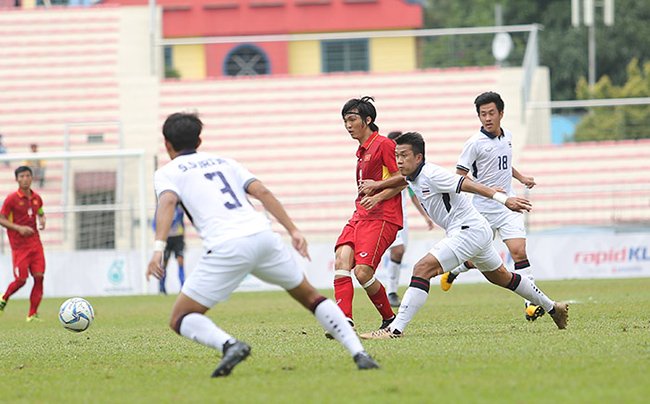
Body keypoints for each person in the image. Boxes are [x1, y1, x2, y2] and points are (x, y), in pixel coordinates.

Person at [146, 112, 379, 377]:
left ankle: (230, 345)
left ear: (167, 144)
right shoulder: (225, 162)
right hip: (264, 237)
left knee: (180, 317)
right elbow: (262, 192)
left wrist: (157, 250)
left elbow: (166, 203)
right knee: (311, 297)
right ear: (199, 140)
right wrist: (293, 230)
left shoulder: (167, 172)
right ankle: (359, 353)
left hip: (226, 246)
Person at [358, 132, 568, 339]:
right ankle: (553, 308)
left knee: (422, 269)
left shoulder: (432, 174)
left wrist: (504, 200)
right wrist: (377, 186)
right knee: (504, 277)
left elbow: (466, 183)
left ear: (418, 157)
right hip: (477, 230)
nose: (399, 161)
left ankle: (394, 329)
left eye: (404, 155)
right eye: (397, 156)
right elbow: (401, 181)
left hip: (467, 231)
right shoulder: (413, 175)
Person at [440, 92, 543, 321]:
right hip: (482, 210)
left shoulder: (508, 137)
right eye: (483, 114)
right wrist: (488, 190)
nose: (487, 118)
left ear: (501, 114)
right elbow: (460, 178)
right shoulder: (474, 144)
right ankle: (455, 270)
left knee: (518, 252)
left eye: (491, 113)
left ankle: (531, 303)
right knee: (482, 260)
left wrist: (521, 177)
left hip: (509, 206)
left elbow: (503, 161)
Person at [330, 96, 403, 337]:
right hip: (361, 214)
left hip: (382, 216)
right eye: (345, 121)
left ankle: (390, 319)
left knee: (362, 272)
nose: (348, 125)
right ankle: (344, 321)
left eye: (352, 120)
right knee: (341, 259)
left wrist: (379, 193)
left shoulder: (383, 144)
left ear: (368, 120)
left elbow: (403, 178)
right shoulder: (361, 151)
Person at [376, 131, 434, 308]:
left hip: (402, 216)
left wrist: (426, 216)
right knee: (398, 250)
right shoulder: (385, 169)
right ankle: (390, 292)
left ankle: (390, 291)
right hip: (386, 215)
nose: (398, 155)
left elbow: (413, 193)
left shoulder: (406, 171)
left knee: (399, 253)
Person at [0, 166, 47, 322]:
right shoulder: (11, 199)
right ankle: (4, 298)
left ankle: (32, 314)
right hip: (19, 246)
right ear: (17, 179)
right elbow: (1, 218)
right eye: (22, 176)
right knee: (21, 280)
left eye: (28, 175)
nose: (25, 178)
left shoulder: (36, 198)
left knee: (39, 277)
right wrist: (18, 228)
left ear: (32, 178)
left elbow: (39, 210)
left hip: (35, 244)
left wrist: (42, 218)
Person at [153, 204, 186, 294]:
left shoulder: (179, 207)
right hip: (167, 238)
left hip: (178, 237)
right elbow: (155, 223)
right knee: (164, 264)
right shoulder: (162, 206)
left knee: (180, 261)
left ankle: (183, 287)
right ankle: (162, 288)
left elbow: (181, 221)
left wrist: (183, 236)